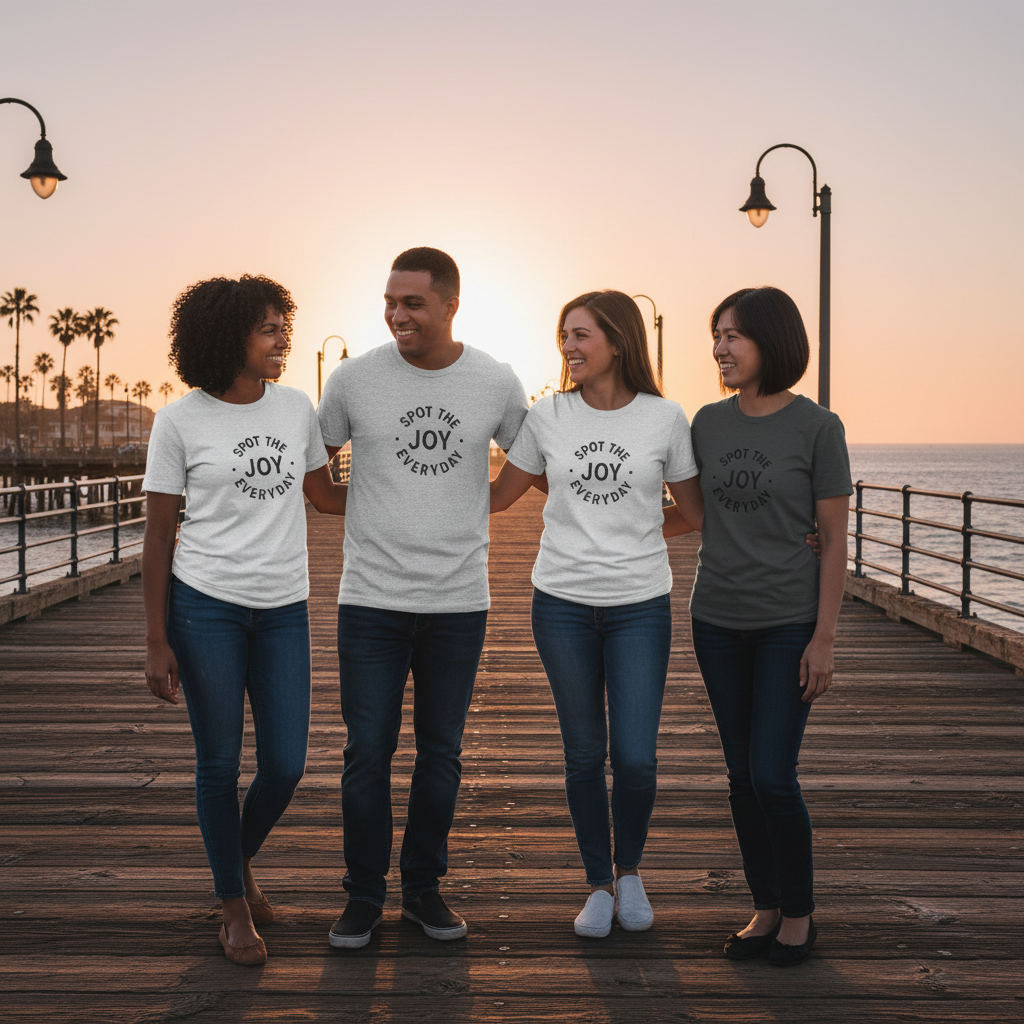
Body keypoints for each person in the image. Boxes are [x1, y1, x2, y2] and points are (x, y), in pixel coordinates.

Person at [317, 247, 528, 949]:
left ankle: (423, 890)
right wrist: (379, 510)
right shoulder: (353, 379)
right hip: (370, 599)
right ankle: (363, 897)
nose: (396, 314)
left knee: (442, 753)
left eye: (412, 302)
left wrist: (482, 502)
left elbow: (536, 457)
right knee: (366, 753)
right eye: (390, 301)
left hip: (459, 602)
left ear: (450, 305)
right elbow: (315, 478)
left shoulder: (495, 382)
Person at [142, 274, 348, 966]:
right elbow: (159, 538)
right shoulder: (180, 421)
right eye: (268, 327)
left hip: (285, 608)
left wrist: (419, 478)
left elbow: (326, 498)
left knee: (286, 763)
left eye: (283, 325)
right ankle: (234, 908)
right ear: (226, 336)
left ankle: (234, 863)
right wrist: (156, 640)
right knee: (219, 762)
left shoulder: (295, 409)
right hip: (206, 609)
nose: (282, 337)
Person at [489, 291, 704, 938]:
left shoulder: (666, 418)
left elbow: (693, 513)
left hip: (640, 605)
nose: (569, 348)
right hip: (561, 605)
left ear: (618, 340)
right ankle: (599, 885)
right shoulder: (547, 415)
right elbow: (499, 498)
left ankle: (631, 869)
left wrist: (633, 532)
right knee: (584, 753)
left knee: (635, 756)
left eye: (580, 335)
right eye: (563, 337)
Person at [668, 286, 851, 966]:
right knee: (741, 777)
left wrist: (823, 638)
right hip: (715, 619)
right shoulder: (707, 425)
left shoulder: (817, 428)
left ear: (772, 342)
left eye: (734, 335)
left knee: (773, 775)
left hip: (787, 624)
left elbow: (833, 540)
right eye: (716, 334)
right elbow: (687, 511)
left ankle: (800, 914)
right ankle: (765, 906)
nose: (720, 347)